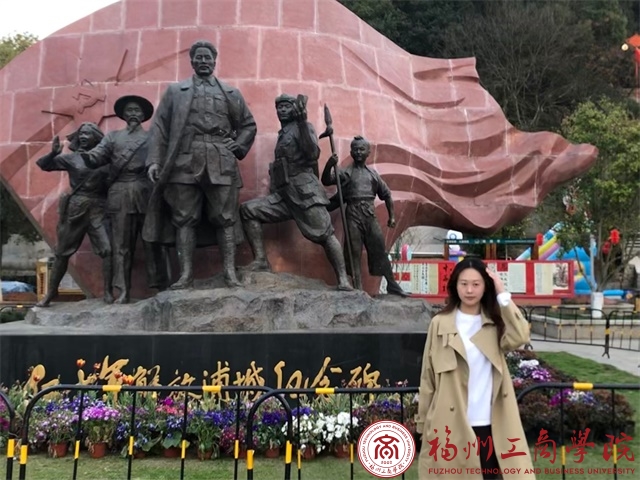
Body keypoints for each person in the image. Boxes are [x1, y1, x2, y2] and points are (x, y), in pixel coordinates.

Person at [144, 40, 257, 289]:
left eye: (208, 57)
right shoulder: (176, 92)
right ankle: (185, 276)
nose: (204, 61)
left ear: (214, 61)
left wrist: (238, 145)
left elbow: (248, 125)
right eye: (199, 57)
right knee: (184, 218)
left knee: (226, 218)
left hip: (221, 158)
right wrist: (154, 160)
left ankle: (229, 273)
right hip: (184, 160)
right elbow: (159, 128)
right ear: (192, 61)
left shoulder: (231, 93)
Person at [416, 257, 535, 479]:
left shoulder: (495, 323)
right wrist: (423, 425)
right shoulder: (440, 324)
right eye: (464, 284)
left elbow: (520, 336)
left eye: (476, 284)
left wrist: (501, 292)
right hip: (449, 425)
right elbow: (428, 377)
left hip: (490, 425)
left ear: (485, 287)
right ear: (455, 286)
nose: (469, 290)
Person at [239, 94, 352, 291]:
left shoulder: (304, 127)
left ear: (295, 109)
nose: (282, 110)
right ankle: (261, 260)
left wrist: (302, 123)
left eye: (286, 106)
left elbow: (312, 154)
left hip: (305, 193)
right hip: (284, 195)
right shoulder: (283, 134)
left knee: (326, 234)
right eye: (279, 107)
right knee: (249, 210)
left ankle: (343, 280)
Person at [81, 95, 171, 303]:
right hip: (120, 193)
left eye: (137, 111)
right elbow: (97, 156)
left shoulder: (152, 138)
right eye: (129, 110)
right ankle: (122, 290)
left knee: (153, 241)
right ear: (123, 114)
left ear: (144, 115)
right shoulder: (112, 138)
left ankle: (160, 285)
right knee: (121, 246)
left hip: (146, 193)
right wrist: (85, 155)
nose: (133, 114)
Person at [35, 123, 113, 307]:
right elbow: (44, 165)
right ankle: (51, 292)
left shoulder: (107, 160)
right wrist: (53, 153)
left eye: (88, 134)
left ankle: (108, 292)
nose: (83, 136)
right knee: (62, 252)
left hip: (99, 208)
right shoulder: (72, 158)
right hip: (77, 208)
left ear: (96, 137)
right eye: (82, 133)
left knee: (108, 250)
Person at [321, 135, 408, 296]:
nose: (358, 152)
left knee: (379, 248)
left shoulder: (373, 174)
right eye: (355, 149)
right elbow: (326, 180)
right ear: (351, 152)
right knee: (354, 251)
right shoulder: (345, 172)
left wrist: (392, 216)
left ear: (368, 152)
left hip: (369, 214)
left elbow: (387, 194)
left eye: (362, 149)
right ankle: (358, 288)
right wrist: (329, 165)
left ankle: (392, 284)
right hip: (353, 215)